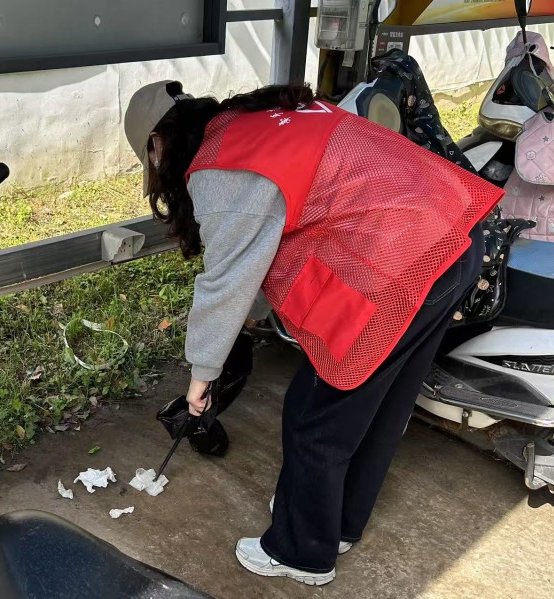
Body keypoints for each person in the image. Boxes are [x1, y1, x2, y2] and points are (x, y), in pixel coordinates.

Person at [123, 81, 501, 585]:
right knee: (380, 407)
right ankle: (337, 523)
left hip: (404, 257)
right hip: (454, 233)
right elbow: (264, 241)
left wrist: (203, 373)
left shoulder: (222, 167)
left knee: (314, 415)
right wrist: (248, 320)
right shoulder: (257, 123)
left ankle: (301, 552)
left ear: (157, 144)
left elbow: (227, 279)